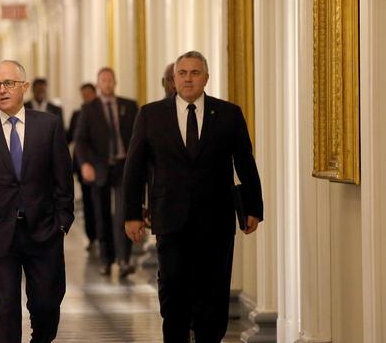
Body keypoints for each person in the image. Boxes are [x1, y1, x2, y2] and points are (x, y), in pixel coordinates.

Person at [123, 50, 264, 342]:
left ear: (206, 78)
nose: (188, 79)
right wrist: (132, 214)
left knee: (212, 293)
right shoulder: (151, 115)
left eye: (195, 73)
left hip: (216, 220)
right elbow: (134, 168)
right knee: (173, 292)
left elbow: (245, 163)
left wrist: (253, 207)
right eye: (183, 73)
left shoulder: (228, 114)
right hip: (170, 219)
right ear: (174, 78)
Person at [0, 59, 73, 343]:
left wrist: (62, 223)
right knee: (6, 309)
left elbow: (63, 181)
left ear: (25, 87)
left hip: (44, 231)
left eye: (9, 83)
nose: (2, 90)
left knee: (45, 305)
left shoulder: (49, 126)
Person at [74, 67, 138, 277]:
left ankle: (124, 259)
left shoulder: (129, 106)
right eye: (103, 80)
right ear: (98, 84)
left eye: (110, 79)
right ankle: (106, 259)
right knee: (101, 215)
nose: (107, 83)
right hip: (100, 167)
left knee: (123, 214)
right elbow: (81, 141)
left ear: (115, 82)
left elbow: (138, 137)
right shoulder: (89, 109)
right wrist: (85, 164)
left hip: (123, 167)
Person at [66, 83, 98, 250]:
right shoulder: (77, 114)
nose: (86, 97)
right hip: (82, 166)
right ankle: (92, 237)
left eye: (88, 93)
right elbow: (70, 137)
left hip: (101, 167)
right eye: (83, 94)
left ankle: (102, 235)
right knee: (88, 202)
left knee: (100, 203)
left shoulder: (103, 112)